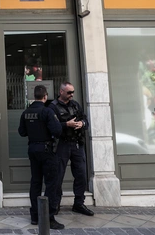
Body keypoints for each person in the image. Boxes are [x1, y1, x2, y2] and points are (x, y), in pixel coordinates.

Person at [18, 84, 65, 230]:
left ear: (34, 96)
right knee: (51, 183)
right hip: (47, 150)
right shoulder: (47, 111)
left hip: (33, 149)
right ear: (45, 96)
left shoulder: (26, 112)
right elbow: (57, 131)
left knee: (36, 182)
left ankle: (34, 216)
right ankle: (48, 217)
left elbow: (22, 132)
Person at [49, 81, 95, 217]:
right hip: (62, 144)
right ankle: (55, 204)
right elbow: (51, 126)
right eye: (69, 92)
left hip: (77, 144)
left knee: (81, 174)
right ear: (61, 92)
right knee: (58, 176)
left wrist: (82, 123)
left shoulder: (75, 105)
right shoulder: (53, 107)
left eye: (73, 92)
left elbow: (86, 120)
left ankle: (79, 203)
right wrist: (66, 125)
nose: (72, 95)